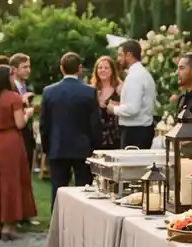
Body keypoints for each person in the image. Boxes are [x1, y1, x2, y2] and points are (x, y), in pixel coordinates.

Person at [40, 52, 100, 202]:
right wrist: (94, 147)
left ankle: (58, 223)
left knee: (58, 190)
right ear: (79, 68)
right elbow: (95, 123)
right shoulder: (89, 91)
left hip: (58, 146)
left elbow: (44, 124)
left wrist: (47, 147)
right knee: (84, 189)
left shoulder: (49, 91)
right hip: (82, 147)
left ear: (61, 68)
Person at [0, 65, 37, 239]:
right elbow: (20, 124)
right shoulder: (13, 97)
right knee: (12, 181)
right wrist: (28, 113)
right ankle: (9, 225)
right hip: (10, 141)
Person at [109, 39, 156, 149]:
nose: (118, 59)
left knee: (131, 166)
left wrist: (113, 109)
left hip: (135, 132)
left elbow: (132, 109)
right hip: (139, 130)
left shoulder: (135, 76)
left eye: (121, 55)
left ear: (129, 55)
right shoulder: (140, 74)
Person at [9, 53, 36, 170]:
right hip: (12, 137)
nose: (28, 70)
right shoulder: (9, 88)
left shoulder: (29, 89)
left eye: (29, 67)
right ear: (14, 70)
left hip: (27, 136)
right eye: (24, 67)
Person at [90, 55, 122, 151]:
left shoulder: (120, 88)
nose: (103, 70)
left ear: (112, 70)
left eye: (106, 68)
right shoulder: (91, 90)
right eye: (100, 68)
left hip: (115, 137)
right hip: (96, 137)